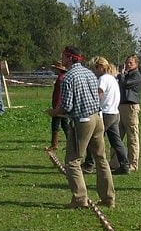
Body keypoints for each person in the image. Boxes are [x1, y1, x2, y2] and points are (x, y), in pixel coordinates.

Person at [47, 46, 115, 209]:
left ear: (70, 58)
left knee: (72, 160)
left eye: (63, 56)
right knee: (101, 158)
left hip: (83, 121)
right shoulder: (89, 73)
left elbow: (66, 106)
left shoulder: (68, 77)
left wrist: (53, 112)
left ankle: (79, 199)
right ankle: (108, 197)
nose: (61, 59)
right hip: (97, 118)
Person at [87, 57, 129, 175]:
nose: (94, 72)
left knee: (92, 138)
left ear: (100, 67)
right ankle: (124, 164)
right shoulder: (112, 78)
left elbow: (98, 95)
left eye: (94, 69)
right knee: (116, 141)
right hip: (115, 113)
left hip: (105, 113)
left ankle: (89, 164)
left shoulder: (103, 79)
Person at [116, 55, 141, 173]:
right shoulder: (126, 75)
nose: (127, 65)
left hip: (130, 107)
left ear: (136, 64)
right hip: (121, 106)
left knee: (132, 136)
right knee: (117, 135)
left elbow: (125, 84)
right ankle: (116, 161)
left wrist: (120, 74)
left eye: (130, 63)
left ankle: (133, 163)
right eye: (126, 63)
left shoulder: (136, 76)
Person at [46, 60, 69, 152]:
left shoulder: (60, 79)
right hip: (63, 106)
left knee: (55, 126)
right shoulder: (63, 77)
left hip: (59, 106)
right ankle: (70, 142)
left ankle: (54, 144)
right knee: (65, 125)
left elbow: (58, 95)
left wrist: (56, 108)